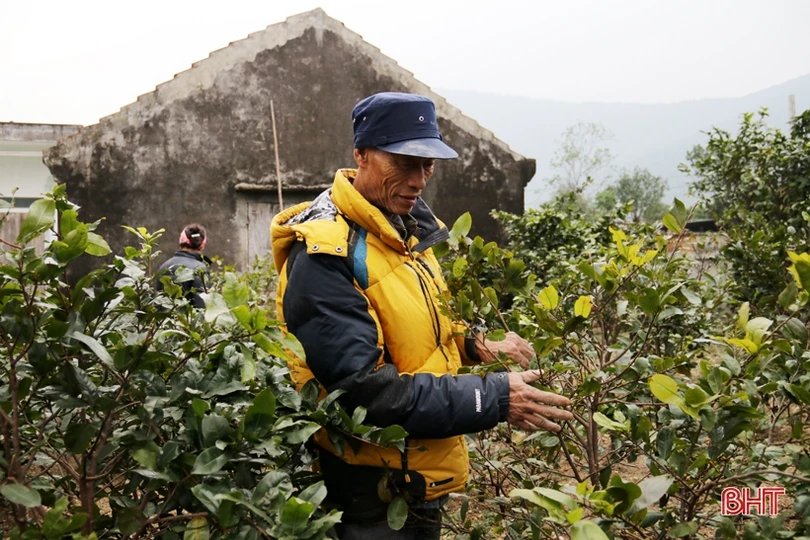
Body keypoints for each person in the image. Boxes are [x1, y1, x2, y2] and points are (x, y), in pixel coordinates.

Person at [271, 92, 573, 539]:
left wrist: (475, 345)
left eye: (427, 165)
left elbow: (422, 323)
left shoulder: (404, 230)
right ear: (362, 155)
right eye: (405, 162)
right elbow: (361, 393)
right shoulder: (325, 255)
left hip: (419, 474)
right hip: (370, 492)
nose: (419, 180)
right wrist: (492, 398)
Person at [155, 223, 211, 308]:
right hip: (186, 320)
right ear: (202, 244)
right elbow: (202, 307)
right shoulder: (199, 269)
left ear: (181, 241)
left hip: (163, 320)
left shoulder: (164, 267)